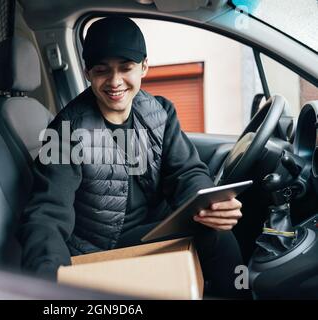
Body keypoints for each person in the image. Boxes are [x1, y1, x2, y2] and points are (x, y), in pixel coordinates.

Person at [19, 16, 245, 298]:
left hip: (155, 228)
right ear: (88, 72)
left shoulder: (159, 112)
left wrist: (209, 202)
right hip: (103, 246)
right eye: (102, 70)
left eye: (126, 68)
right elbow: (47, 213)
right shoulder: (66, 131)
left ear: (144, 67)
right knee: (216, 239)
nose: (115, 82)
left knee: (215, 227)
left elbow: (186, 172)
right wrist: (45, 285)